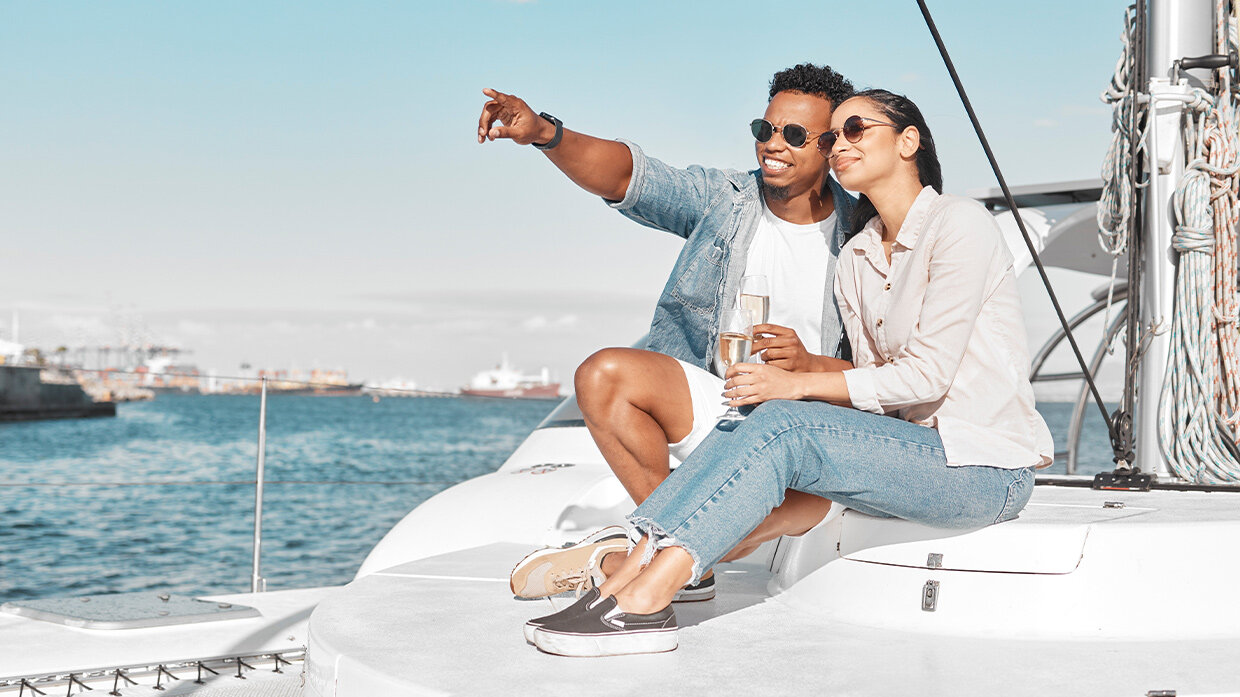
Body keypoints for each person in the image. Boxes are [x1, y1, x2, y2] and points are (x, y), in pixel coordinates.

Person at [523, 89, 1055, 657]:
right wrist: (803, 374)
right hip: (898, 452)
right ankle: (638, 570)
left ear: (908, 141)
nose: (839, 145)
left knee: (784, 422)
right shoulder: (858, 256)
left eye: (854, 130)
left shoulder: (960, 224)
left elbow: (924, 377)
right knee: (771, 426)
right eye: (835, 137)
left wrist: (799, 382)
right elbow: (874, 378)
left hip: (982, 466)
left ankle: (640, 596)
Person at [478, 65, 859, 600]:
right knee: (604, 375)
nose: (773, 144)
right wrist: (546, 133)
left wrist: (810, 367)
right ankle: (680, 555)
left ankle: (637, 556)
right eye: (764, 129)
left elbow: (895, 367)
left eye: (794, 135)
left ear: (831, 145)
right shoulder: (726, 200)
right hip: (725, 407)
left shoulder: (864, 230)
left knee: (754, 524)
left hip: (810, 429)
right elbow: (630, 177)